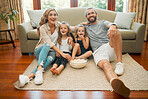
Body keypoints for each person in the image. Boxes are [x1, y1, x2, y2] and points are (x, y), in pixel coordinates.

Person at [81, 8, 130, 97]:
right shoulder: (85, 27)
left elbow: (111, 24)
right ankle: (115, 82)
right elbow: (71, 28)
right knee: (106, 66)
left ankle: (119, 62)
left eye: (92, 13)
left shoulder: (103, 22)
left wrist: (113, 26)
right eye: (88, 14)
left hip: (109, 46)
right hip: (98, 52)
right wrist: (81, 24)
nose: (91, 15)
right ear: (86, 17)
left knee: (116, 31)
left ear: (96, 14)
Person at [18, 8, 72, 88]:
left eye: (55, 15)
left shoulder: (58, 25)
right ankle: (39, 70)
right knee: (47, 44)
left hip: (52, 51)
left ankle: (28, 77)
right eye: (51, 15)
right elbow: (49, 43)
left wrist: (72, 34)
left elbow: (69, 28)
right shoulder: (43, 28)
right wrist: (62, 53)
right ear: (47, 17)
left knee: (50, 59)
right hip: (40, 50)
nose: (53, 17)